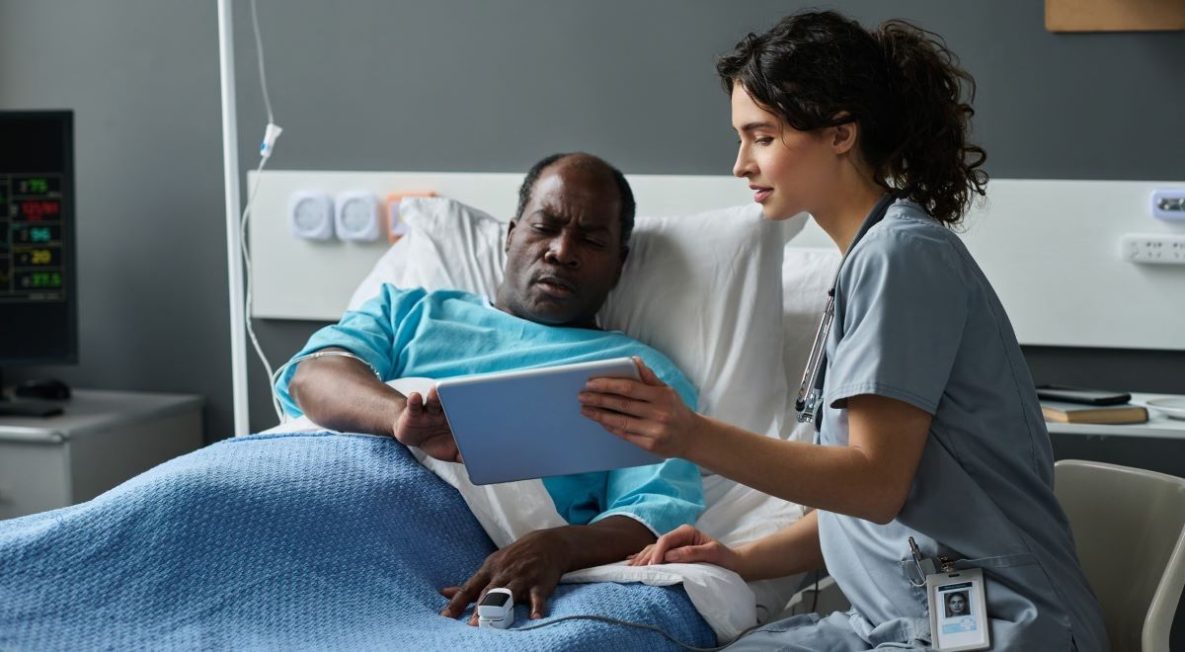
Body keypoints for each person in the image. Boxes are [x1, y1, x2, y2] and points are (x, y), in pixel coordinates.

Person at [578, 10, 1107, 651]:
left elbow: (873, 484)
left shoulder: (901, 257)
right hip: (891, 621)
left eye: (763, 136)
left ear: (840, 134)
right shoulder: (867, 261)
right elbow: (864, 507)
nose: (741, 164)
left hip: (992, 629)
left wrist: (688, 435)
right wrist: (741, 558)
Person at [277, 152, 704, 625]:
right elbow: (313, 375)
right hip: (322, 498)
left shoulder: (640, 377)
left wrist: (557, 546)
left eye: (590, 239)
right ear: (510, 234)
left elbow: (651, 513)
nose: (562, 251)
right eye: (545, 227)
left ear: (619, 264)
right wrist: (402, 418)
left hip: (457, 557)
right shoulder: (408, 311)